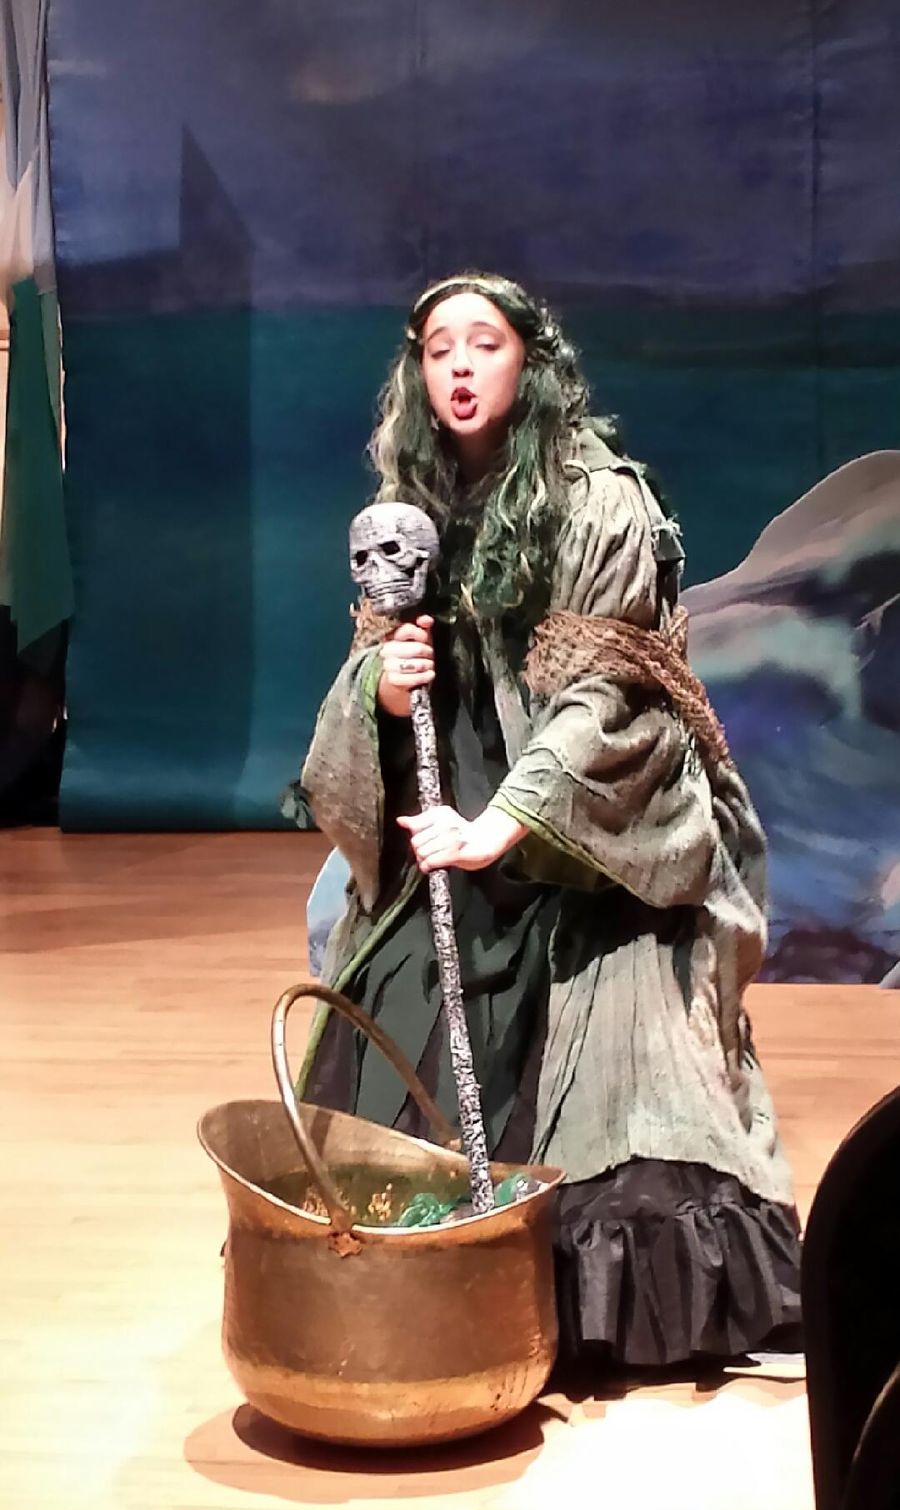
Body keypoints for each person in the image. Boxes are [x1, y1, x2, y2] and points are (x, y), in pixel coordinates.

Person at [290, 270, 802, 1369]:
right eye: (439, 349)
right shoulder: (408, 510)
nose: (460, 367)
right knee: (397, 1013)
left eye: (484, 343)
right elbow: (362, 683)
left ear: (530, 360)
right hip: (449, 816)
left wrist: (506, 824)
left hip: (589, 840)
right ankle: (405, 1282)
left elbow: (607, 700)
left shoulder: (598, 499)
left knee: (622, 1082)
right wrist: (384, 689)